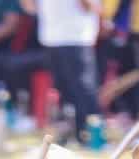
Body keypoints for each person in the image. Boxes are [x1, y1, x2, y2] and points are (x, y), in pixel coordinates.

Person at [38, 0, 100, 144]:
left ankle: (89, 134)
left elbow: (90, 6)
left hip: (76, 37)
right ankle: (67, 133)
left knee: (83, 89)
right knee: (62, 90)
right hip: (52, 37)